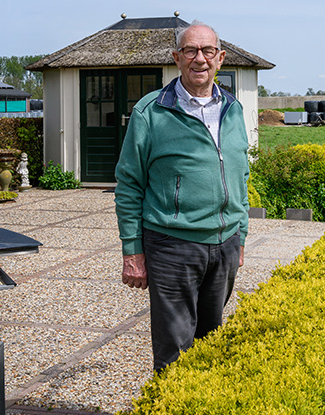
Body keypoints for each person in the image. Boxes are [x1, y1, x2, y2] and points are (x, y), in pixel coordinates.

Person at [114, 20, 249, 373]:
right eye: (190, 50)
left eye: (207, 51)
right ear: (177, 58)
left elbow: (240, 176)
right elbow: (129, 184)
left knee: (211, 342)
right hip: (172, 245)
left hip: (225, 245)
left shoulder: (233, 110)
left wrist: (242, 236)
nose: (199, 58)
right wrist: (132, 250)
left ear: (220, 58)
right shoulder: (151, 112)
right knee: (175, 348)